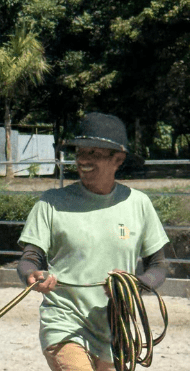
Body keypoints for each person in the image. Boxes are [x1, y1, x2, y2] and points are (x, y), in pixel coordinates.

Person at [17, 112, 169, 371]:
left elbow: (160, 265)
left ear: (118, 160)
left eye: (94, 154)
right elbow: (30, 258)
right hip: (64, 321)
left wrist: (136, 285)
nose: (83, 160)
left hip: (116, 325)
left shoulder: (139, 204)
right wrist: (32, 275)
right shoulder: (52, 203)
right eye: (80, 152)